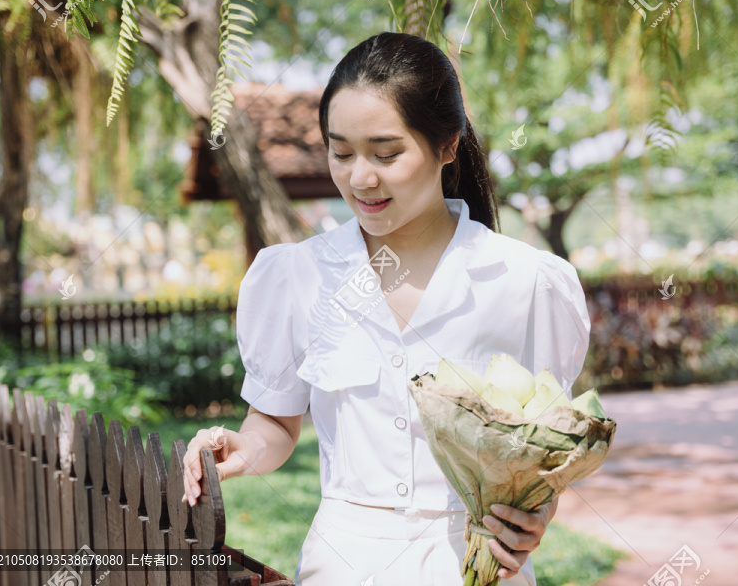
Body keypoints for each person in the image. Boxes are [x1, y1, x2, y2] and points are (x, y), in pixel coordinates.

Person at [182, 31, 591, 586]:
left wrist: (534, 516)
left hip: (477, 565)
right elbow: (276, 421)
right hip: (342, 565)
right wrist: (241, 447)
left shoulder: (526, 282)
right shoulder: (297, 276)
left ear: (447, 146)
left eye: (386, 153)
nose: (359, 178)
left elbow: (546, 454)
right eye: (341, 152)